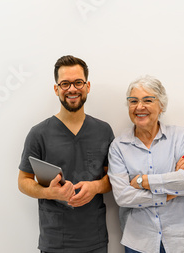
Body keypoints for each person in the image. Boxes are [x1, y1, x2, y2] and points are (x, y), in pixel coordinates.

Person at [18, 55, 114, 253]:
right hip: (55, 241)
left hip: (94, 240)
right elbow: (23, 181)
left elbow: (113, 179)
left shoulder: (104, 131)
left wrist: (95, 186)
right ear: (56, 89)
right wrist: (48, 192)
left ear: (87, 86)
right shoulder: (39, 133)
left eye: (78, 82)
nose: (72, 89)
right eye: (65, 84)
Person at [108, 75, 184, 253]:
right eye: (133, 101)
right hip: (140, 243)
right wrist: (171, 191)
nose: (139, 107)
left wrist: (143, 182)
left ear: (161, 105)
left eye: (148, 100)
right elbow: (123, 197)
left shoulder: (180, 137)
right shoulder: (118, 147)